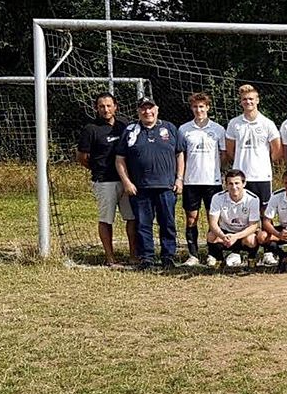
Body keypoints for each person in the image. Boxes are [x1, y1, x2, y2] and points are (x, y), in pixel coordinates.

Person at [115, 97, 186, 270]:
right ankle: (146, 258)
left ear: (157, 109)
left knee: (167, 223)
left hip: (166, 186)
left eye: (150, 108)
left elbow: (179, 154)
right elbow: (120, 159)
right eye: (143, 109)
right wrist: (127, 182)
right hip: (140, 188)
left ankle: (168, 257)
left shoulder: (169, 128)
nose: (147, 112)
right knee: (143, 224)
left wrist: (179, 178)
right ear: (138, 111)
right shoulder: (130, 130)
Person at [76, 91, 138, 267]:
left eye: (109, 106)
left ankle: (134, 255)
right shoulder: (90, 129)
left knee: (132, 218)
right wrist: (97, 168)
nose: (105, 109)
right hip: (104, 181)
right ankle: (110, 258)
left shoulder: (124, 125)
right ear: (96, 108)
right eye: (101, 106)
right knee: (106, 219)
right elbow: (81, 157)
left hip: (127, 180)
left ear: (115, 107)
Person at [178, 92, 227, 267]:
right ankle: (193, 255)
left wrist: (217, 170)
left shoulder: (218, 129)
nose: (198, 110)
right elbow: (181, 155)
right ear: (191, 108)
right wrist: (180, 178)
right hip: (191, 181)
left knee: (213, 219)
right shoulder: (184, 129)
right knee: (191, 218)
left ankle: (213, 254)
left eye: (201, 107)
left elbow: (223, 154)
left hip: (212, 182)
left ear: (207, 107)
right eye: (195, 107)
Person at [225, 84, 281, 214]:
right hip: (240, 177)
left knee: (264, 213)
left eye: (251, 99)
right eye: (244, 99)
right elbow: (230, 150)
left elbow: (277, 151)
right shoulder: (234, 123)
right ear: (241, 102)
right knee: (241, 212)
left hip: (262, 176)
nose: (248, 102)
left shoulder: (267, 123)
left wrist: (263, 162)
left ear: (257, 100)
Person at [206, 169, 261, 269]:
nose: (234, 187)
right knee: (211, 236)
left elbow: (254, 226)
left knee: (252, 240)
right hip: (225, 234)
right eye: (230, 184)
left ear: (244, 184)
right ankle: (219, 260)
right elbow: (213, 223)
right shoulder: (217, 197)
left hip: (243, 234)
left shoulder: (253, 199)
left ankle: (251, 260)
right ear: (226, 185)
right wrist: (223, 236)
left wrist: (236, 236)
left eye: (237, 183)